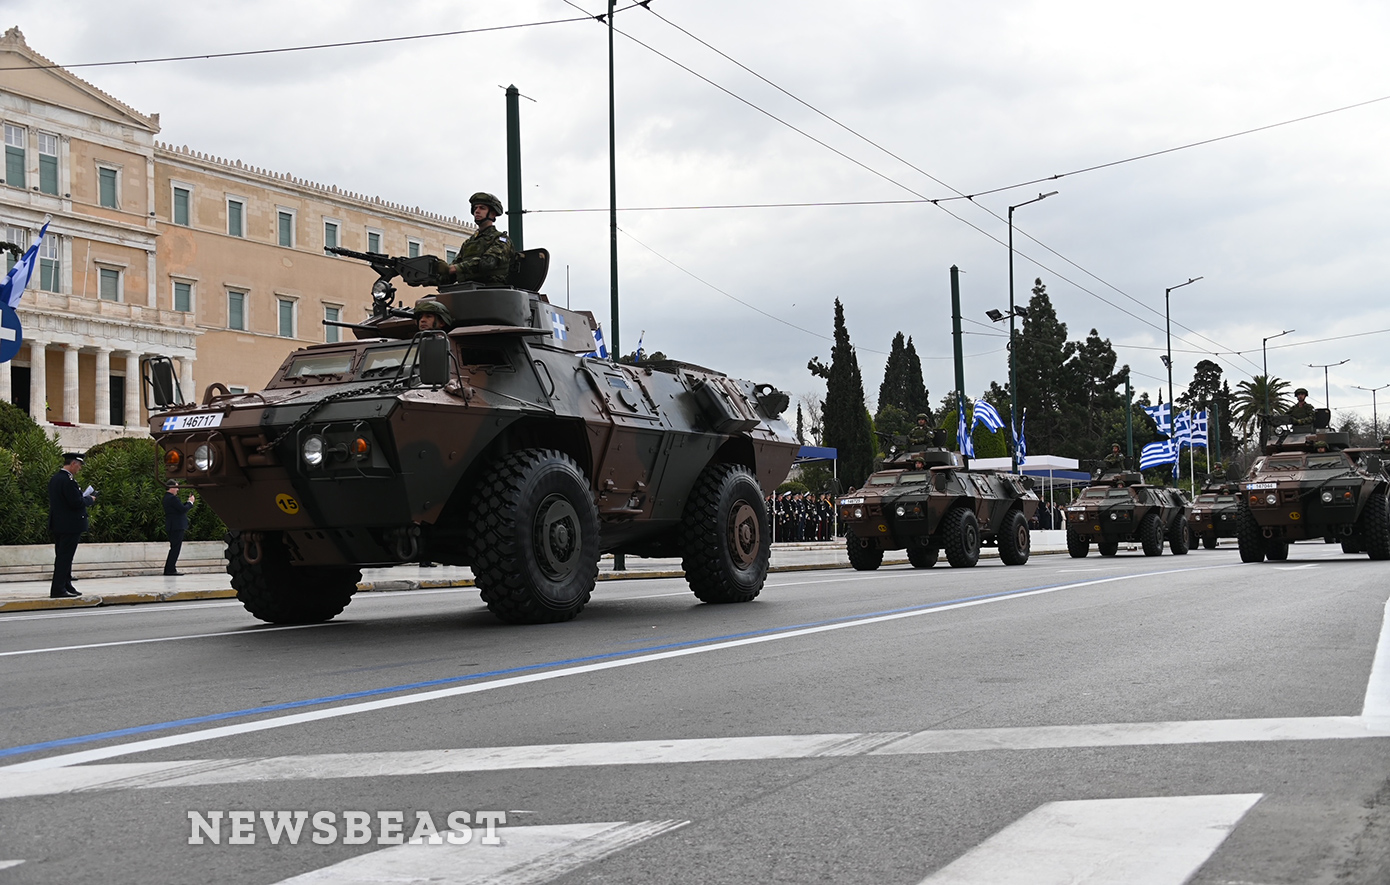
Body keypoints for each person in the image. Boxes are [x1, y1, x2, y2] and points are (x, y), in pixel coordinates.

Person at [48, 453, 96, 599]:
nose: (79, 469)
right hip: (70, 525)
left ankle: (66, 585)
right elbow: (75, 502)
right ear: (74, 463)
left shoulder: (56, 478)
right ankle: (58, 588)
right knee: (65, 558)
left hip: (59, 524)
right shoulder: (68, 480)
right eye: (79, 465)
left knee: (63, 556)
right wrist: (89, 499)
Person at [440, 192, 513, 285]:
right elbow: (451, 275)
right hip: (467, 291)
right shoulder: (469, 243)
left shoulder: (501, 239)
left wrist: (454, 268)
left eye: (482, 208)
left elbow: (487, 263)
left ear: (493, 213)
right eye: (475, 208)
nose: (477, 211)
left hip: (493, 291)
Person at [163, 479, 196, 576]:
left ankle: (170, 568)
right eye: (177, 487)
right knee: (175, 548)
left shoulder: (167, 498)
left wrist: (187, 503)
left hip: (172, 525)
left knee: (174, 548)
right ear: (171, 487)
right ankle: (170, 569)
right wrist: (190, 503)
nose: (178, 489)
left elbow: (180, 508)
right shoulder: (172, 498)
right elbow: (183, 509)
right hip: (176, 526)